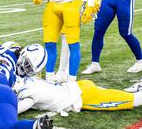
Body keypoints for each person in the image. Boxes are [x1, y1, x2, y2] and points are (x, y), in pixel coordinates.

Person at [12, 45, 142, 114]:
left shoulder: (27, 90)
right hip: (77, 87)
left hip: (82, 96)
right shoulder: (28, 82)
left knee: (135, 100)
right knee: (114, 94)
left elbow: (14, 110)